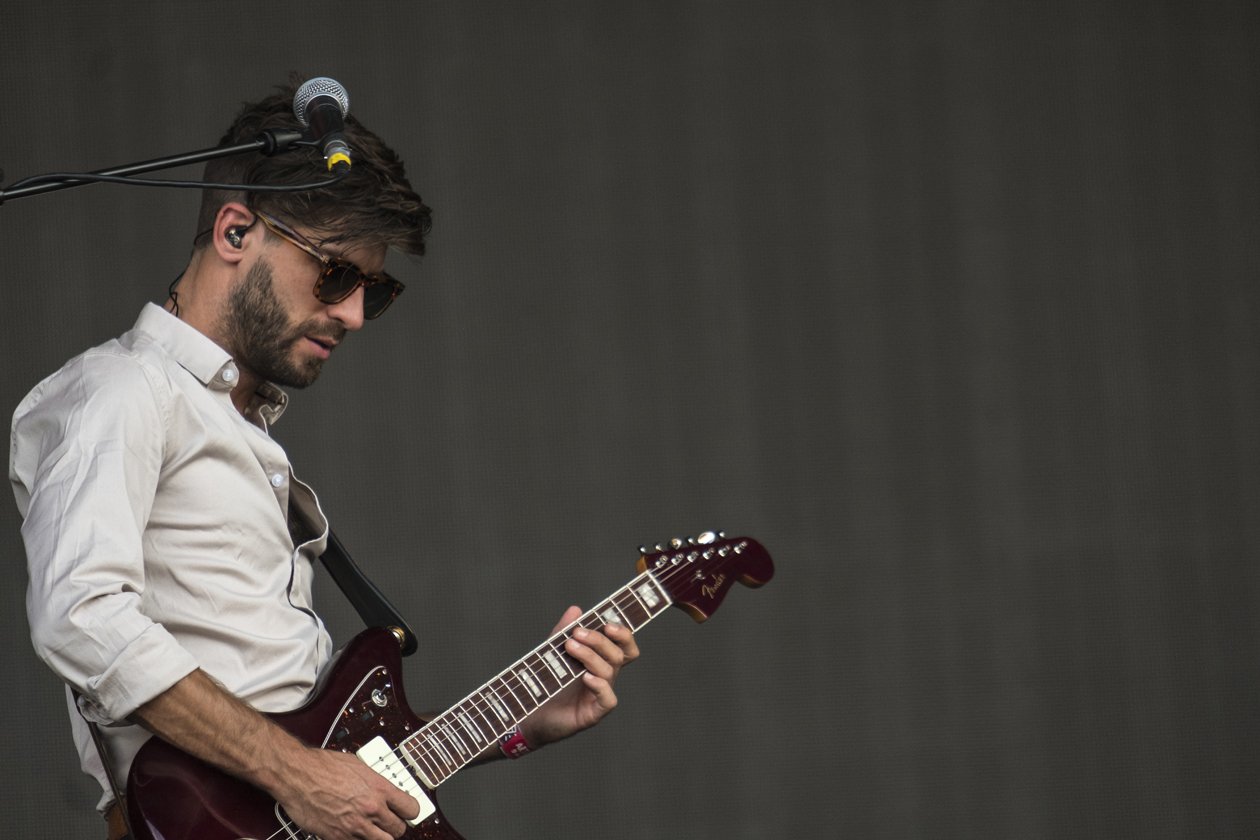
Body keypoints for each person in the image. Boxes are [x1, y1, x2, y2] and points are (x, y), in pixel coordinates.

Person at [9, 80, 639, 840]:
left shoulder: (234, 423)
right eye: (336, 274)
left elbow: (324, 747)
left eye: (376, 292)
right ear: (235, 233)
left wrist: (520, 725)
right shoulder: (122, 392)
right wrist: (297, 775)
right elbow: (82, 617)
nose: (352, 315)